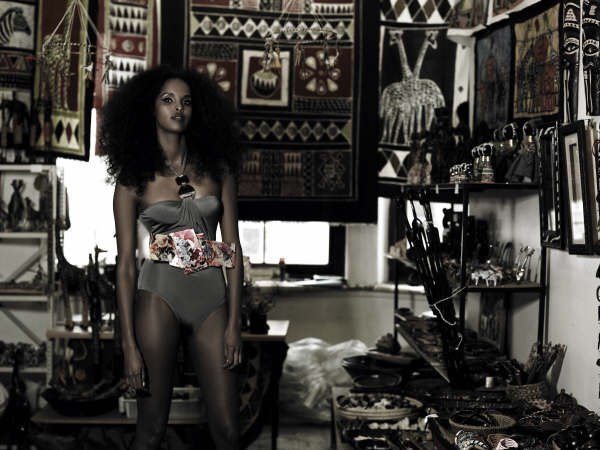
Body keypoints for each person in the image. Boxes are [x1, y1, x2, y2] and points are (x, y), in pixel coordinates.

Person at [102, 65, 244, 449]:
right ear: (149, 108)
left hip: (212, 301)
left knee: (228, 432)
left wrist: (235, 323)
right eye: (167, 100)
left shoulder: (218, 171)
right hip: (158, 297)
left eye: (186, 101)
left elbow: (232, 251)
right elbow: (126, 264)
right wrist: (128, 345)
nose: (178, 108)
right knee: (150, 432)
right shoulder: (133, 179)